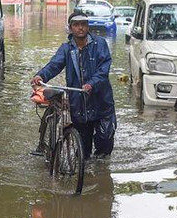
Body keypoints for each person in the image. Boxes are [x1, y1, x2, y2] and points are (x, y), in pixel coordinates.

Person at [31, 9, 116, 158]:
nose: (80, 28)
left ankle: (101, 173)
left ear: (88, 26)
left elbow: (103, 70)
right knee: (83, 151)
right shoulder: (66, 49)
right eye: (76, 25)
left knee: (105, 142)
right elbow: (54, 65)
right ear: (71, 28)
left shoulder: (100, 44)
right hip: (79, 104)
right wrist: (40, 75)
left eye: (83, 24)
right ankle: (86, 175)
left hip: (101, 101)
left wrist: (91, 84)